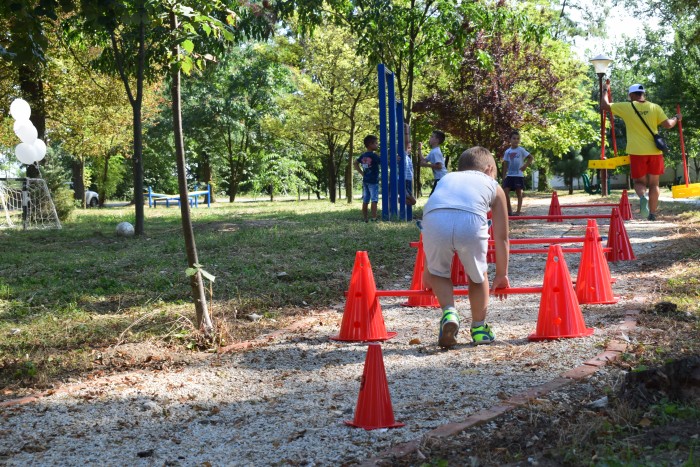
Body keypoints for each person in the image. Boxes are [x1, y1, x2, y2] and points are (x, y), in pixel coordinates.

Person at [421, 146, 510, 348]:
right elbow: (502, 236)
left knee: (440, 273)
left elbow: (436, 212)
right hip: (469, 224)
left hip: (434, 221)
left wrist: (428, 270)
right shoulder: (492, 185)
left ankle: (449, 312)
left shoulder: (446, 179)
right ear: (489, 169)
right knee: (478, 276)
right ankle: (479, 328)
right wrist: (502, 274)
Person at [601, 83, 681, 221]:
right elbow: (668, 125)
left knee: (639, 182)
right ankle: (652, 214)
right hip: (655, 152)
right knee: (654, 184)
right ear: (643, 94)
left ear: (632, 95)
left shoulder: (627, 107)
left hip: (637, 152)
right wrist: (676, 118)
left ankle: (642, 197)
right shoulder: (654, 107)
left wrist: (604, 90)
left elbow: (604, 106)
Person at [501, 131, 533, 216]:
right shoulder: (507, 152)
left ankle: (518, 211)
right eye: (514, 138)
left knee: (519, 193)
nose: (516, 140)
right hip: (510, 175)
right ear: (510, 140)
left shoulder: (521, 150)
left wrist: (525, 166)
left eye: (518, 139)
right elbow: (505, 164)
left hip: (518, 175)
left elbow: (531, 157)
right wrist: (504, 177)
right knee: (505, 192)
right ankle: (509, 210)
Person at [353, 134, 381, 222]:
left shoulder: (363, 155)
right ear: (370, 144)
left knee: (365, 200)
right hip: (373, 181)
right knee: (374, 199)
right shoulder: (374, 156)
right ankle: (374, 218)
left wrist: (362, 173)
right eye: (376, 143)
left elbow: (355, 163)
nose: (377, 145)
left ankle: (365, 218)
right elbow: (384, 161)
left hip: (365, 180)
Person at [419, 130, 448, 195]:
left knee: (433, 196)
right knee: (435, 197)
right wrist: (419, 149)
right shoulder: (433, 151)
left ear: (437, 140)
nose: (430, 138)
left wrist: (426, 165)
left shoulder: (436, 152)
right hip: (439, 178)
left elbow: (439, 166)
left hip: (441, 178)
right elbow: (424, 160)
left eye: (432, 137)